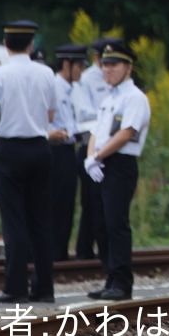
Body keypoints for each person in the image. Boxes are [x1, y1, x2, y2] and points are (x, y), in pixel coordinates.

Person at [0, 20, 58, 303]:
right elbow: (50, 115)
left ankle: (15, 287)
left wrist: (2, 129)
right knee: (40, 219)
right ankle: (44, 288)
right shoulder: (47, 73)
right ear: (31, 44)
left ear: (5, 44)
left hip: (10, 150)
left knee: (14, 220)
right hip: (40, 148)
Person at [83, 42, 151, 301]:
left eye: (114, 65)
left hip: (119, 163)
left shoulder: (135, 98)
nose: (108, 70)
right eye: (105, 65)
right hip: (100, 164)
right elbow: (95, 132)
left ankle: (122, 281)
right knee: (100, 224)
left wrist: (98, 156)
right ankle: (110, 275)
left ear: (128, 67)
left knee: (116, 223)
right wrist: (91, 158)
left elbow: (125, 134)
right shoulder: (109, 98)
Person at [74, 37, 114, 261]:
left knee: (105, 203)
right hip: (90, 146)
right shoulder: (86, 80)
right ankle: (84, 251)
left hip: (111, 149)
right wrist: (106, 117)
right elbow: (84, 114)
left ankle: (103, 251)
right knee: (90, 203)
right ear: (97, 57)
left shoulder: (118, 81)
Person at [49, 44, 87, 262]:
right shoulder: (54, 87)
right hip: (56, 147)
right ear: (67, 64)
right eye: (79, 66)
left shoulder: (73, 89)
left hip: (70, 147)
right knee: (57, 201)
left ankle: (60, 251)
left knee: (67, 203)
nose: (81, 71)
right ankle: (54, 252)